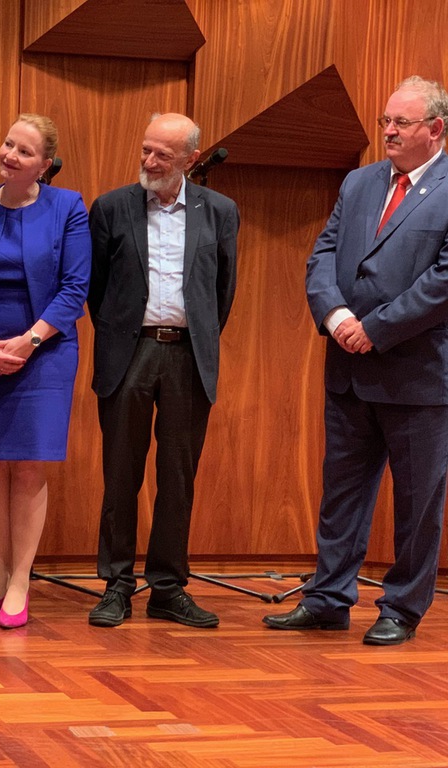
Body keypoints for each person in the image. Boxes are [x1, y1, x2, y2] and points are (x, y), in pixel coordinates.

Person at [263, 76, 448, 646]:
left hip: (417, 374)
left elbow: (443, 281)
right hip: (348, 369)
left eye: (401, 123)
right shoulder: (360, 181)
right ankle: (327, 599)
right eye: (385, 121)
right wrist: (337, 316)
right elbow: (322, 253)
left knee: (417, 502)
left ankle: (402, 608)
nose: (388, 131)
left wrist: (376, 328)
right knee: (341, 494)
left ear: (436, 129)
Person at [86, 112, 238, 630]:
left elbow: (222, 292)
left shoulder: (220, 211)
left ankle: (168, 588)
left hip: (188, 356)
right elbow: (97, 288)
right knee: (120, 474)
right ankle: (117, 585)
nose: (150, 161)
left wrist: (195, 338)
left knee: (177, 476)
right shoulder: (111, 207)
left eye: (163, 155)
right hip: (130, 352)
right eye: (146, 150)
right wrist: (122, 333)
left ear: (191, 160)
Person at [0, 114, 91, 629]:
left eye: (25, 151)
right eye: (8, 144)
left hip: (45, 353)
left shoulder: (68, 207)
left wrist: (30, 340)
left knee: (29, 468)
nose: (10, 155)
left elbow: (75, 288)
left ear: (45, 164)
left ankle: (20, 584)